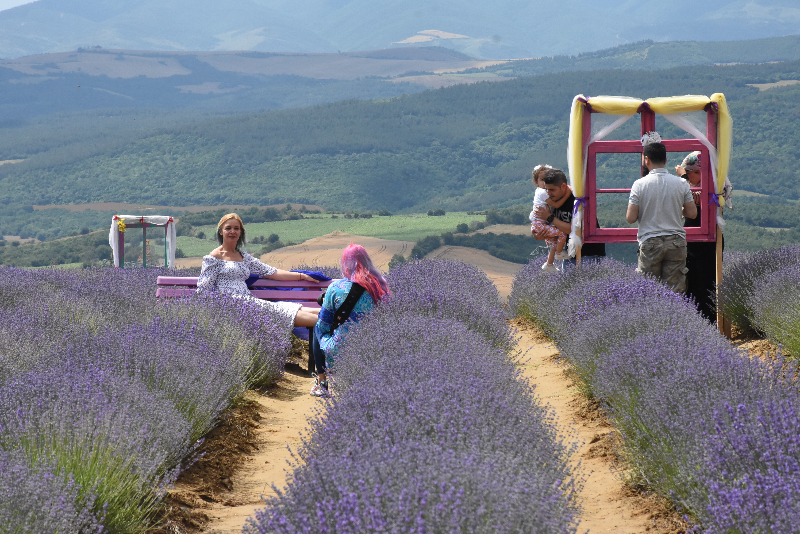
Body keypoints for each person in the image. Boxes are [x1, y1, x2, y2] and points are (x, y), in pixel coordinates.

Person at [196, 213, 321, 329]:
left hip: (248, 302)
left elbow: (272, 272)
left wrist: (301, 276)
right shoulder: (214, 257)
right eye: (228, 228)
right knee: (283, 312)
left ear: (240, 233)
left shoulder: (244, 257)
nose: (232, 231)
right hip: (231, 307)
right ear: (221, 232)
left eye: (236, 228)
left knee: (290, 309)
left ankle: (335, 320)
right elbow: (203, 289)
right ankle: (332, 324)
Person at [310, 243, 390, 397]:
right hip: (373, 351)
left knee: (317, 327)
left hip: (340, 353)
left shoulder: (336, 288)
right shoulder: (380, 287)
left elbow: (324, 324)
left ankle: (321, 383)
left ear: (345, 264)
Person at [626, 132, 697, 292]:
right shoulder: (681, 183)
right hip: (676, 242)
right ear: (665, 160)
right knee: (675, 292)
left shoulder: (639, 184)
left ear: (646, 160)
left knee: (649, 292)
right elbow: (692, 213)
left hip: (650, 241)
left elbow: (630, 218)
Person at [676, 151, 720, 321]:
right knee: (694, 282)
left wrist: (682, 177)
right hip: (694, 240)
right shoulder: (700, 188)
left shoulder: (708, 189)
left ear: (699, 172)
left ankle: (707, 320)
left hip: (703, 243)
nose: (687, 178)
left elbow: (693, 198)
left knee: (704, 282)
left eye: (690, 174)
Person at [532, 168, 607, 268]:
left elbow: (573, 230)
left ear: (563, 186)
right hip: (569, 254)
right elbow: (555, 228)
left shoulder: (577, 200)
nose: (548, 193)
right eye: (546, 189)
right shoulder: (552, 201)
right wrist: (540, 234)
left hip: (588, 253)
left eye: (552, 190)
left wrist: (550, 217)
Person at [529, 164, 571, 273]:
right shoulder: (543, 192)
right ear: (536, 182)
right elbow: (556, 206)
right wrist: (568, 192)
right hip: (540, 224)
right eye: (543, 180)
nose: (545, 182)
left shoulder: (542, 192)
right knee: (561, 234)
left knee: (555, 242)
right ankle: (559, 254)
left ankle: (549, 263)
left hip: (539, 224)